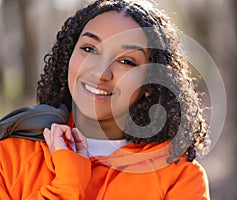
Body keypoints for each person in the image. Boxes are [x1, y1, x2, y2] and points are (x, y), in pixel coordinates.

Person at [0, 0, 210, 199]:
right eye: (89, 49)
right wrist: (68, 184)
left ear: (152, 82)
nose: (100, 73)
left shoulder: (180, 177)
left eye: (126, 61)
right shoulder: (10, 154)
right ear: (68, 56)